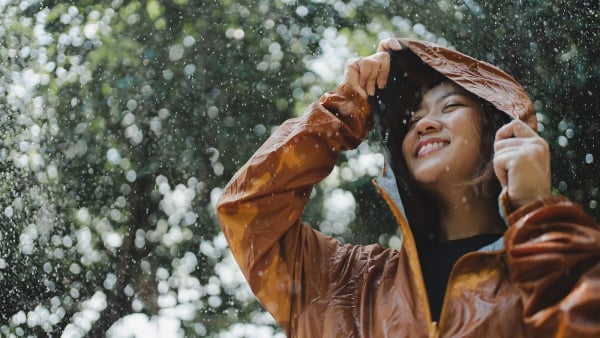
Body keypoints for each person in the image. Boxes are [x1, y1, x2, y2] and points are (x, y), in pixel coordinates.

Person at [215, 37, 600, 337]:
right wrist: (345, 109)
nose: (424, 124)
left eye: (449, 107)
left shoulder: (546, 261)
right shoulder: (346, 283)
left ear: (498, 131)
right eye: (412, 118)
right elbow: (248, 210)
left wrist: (537, 210)